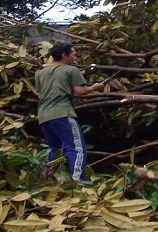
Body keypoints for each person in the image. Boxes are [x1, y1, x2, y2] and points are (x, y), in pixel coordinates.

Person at [34, 43, 105, 184]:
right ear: (64, 55)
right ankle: (78, 182)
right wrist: (94, 87)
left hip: (43, 116)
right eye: (73, 54)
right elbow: (80, 91)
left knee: (56, 149)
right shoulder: (71, 70)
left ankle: (47, 180)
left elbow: (40, 95)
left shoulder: (40, 73)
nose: (75, 57)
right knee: (77, 149)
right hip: (62, 113)